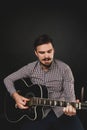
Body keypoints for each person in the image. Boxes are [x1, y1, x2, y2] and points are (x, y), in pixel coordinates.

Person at [3, 34, 84, 130]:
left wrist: (72, 107)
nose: (46, 56)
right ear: (36, 53)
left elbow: (70, 95)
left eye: (49, 51)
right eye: (42, 52)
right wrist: (15, 96)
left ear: (53, 50)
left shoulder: (65, 69)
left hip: (61, 111)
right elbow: (7, 79)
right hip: (37, 113)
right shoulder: (30, 68)